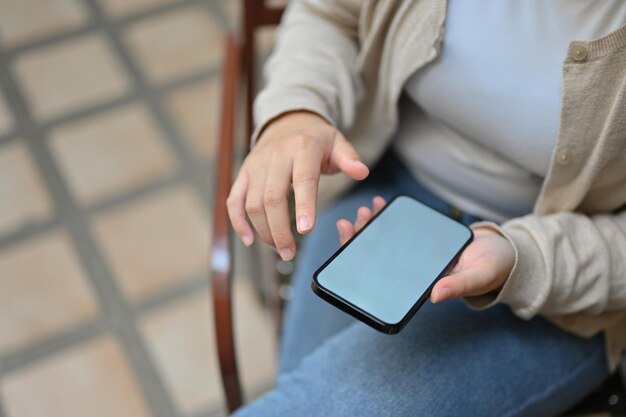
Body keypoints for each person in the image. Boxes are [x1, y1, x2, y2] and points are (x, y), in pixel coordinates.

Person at [226, 1, 626, 415]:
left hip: (565, 277)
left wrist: (523, 258)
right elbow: (328, 14)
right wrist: (296, 111)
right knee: (308, 395)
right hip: (389, 195)